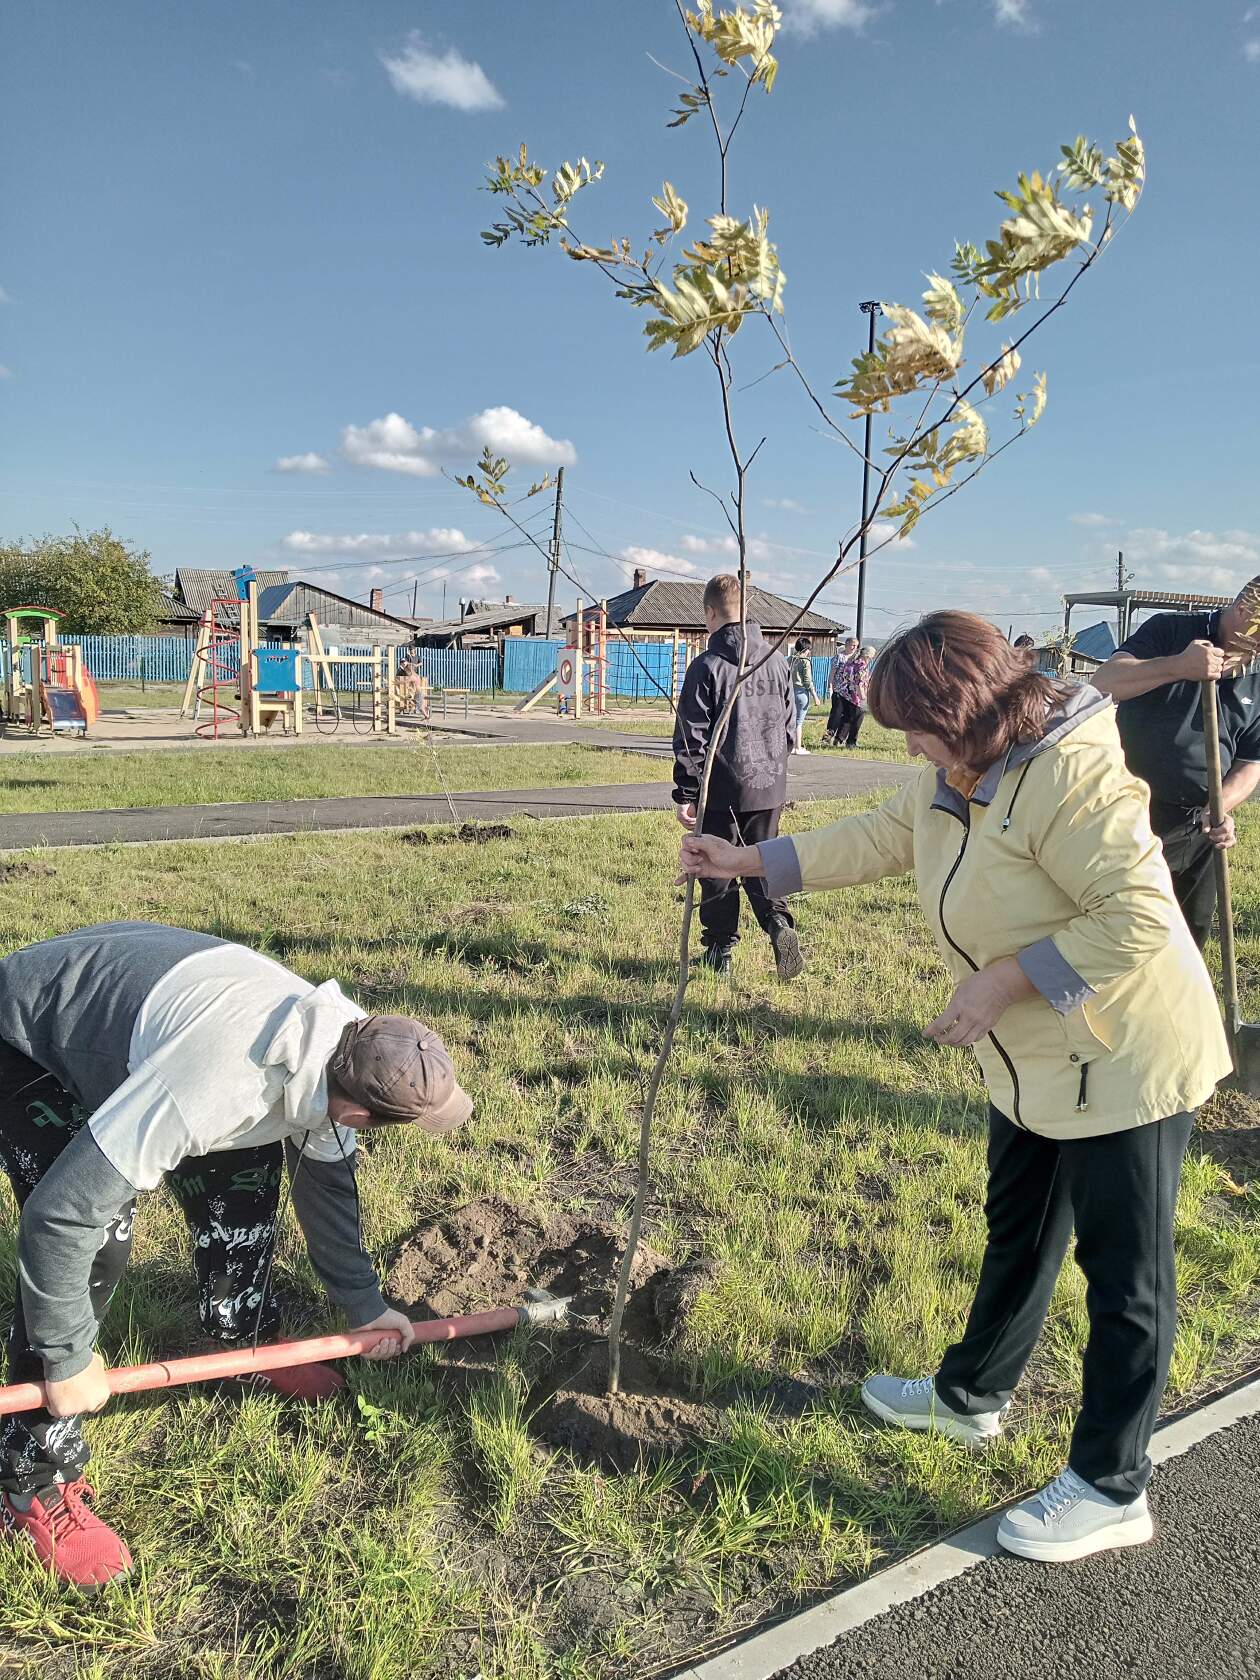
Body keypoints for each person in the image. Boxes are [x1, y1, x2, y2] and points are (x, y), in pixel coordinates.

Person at [680, 611, 1228, 1564]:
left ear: (966, 708)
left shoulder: (1074, 772)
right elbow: (881, 836)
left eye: (916, 728)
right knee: (1018, 1231)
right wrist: (745, 860)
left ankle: (1112, 1484)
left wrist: (1005, 979)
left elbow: (1137, 918)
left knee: (1125, 1279)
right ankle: (970, 1398)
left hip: (1126, 1056)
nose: (911, 749)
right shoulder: (962, 771)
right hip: (1036, 1059)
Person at [0, 921, 473, 1588]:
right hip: (29, 1035)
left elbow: (328, 1189)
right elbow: (59, 1217)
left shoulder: (345, 1050)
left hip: (150, 1018)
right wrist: (66, 1357)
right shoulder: (218, 1082)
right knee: (98, 1236)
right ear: (362, 1114)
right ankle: (32, 1480)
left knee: (246, 1179)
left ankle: (244, 1343)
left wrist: (364, 1307)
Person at [1090, 576, 1260, 948]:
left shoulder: (1257, 675)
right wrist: (1179, 666)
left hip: (1198, 824)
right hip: (1129, 809)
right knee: (1123, 929)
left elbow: (1251, 761)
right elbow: (1104, 682)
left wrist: (1220, 806)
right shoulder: (1172, 630)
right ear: (1245, 610)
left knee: (1187, 936)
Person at [672, 575, 803, 981]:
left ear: (710, 614)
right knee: (763, 861)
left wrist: (687, 791)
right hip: (768, 785)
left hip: (721, 789)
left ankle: (719, 950)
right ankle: (778, 923)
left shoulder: (706, 667)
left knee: (716, 864)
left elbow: (691, 735)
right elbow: (787, 725)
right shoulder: (777, 661)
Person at [824, 643, 875, 748]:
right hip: (855, 696)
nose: (871, 660)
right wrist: (862, 697)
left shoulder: (851, 662)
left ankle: (839, 739)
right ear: (867, 656)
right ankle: (851, 742)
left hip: (844, 693)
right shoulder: (862, 665)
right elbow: (859, 682)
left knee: (846, 718)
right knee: (858, 718)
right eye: (871, 657)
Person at [787, 636, 819, 755]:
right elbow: (807, 681)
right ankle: (798, 747)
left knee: (790, 720)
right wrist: (815, 696)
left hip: (790, 691)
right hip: (801, 692)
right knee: (799, 721)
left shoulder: (790, 659)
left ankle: (790, 746)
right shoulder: (805, 661)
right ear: (806, 649)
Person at [822, 637, 858, 744]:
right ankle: (827, 737)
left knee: (848, 715)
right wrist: (830, 687)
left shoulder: (856, 658)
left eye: (856, 646)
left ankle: (839, 738)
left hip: (850, 692)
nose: (854, 648)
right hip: (839, 689)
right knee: (836, 714)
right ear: (847, 645)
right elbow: (832, 673)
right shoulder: (839, 657)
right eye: (852, 645)